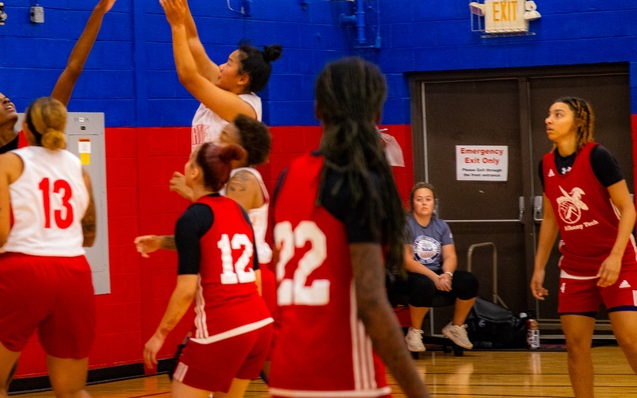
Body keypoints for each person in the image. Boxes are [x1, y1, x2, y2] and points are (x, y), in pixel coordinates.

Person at [268, 57, 429, 398]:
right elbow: (370, 301)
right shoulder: (358, 181)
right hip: (345, 376)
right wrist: (418, 391)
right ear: (377, 116)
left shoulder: (288, 175)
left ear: (317, 110)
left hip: (286, 374)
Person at [0, 0, 121, 274]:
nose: (5, 100)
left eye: (4, 96)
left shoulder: (35, 137)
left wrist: (98, 13)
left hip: (55, 259)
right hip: (15, 266)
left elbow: (72, 69)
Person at [0, 97, 97, 398]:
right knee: (73, 390)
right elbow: (90, 234)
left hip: (21, 269)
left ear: (26, 130)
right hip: (74, 272)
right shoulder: (78, 168)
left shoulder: (6, 163)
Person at [143, 141, 273, 398]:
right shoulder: (239, 211)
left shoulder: (191, 218)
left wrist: (159, 335)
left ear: (194, 172)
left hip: (222, 327)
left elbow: (186, 291)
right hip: (259, 325)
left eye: (190, 159)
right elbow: (256, 280)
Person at [530, 97, 637, 398]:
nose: (549, 119)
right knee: (576, 348)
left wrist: (616, 256)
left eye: (558, 114)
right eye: (549, 113)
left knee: (629, 340)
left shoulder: (598, 156)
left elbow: (628, 209)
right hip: (576, 266)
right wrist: (539, 266)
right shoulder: (546, 164)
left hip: (617, 259)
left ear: (578, 121)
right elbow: (551, 219)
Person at [135, 114, 277, 313]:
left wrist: (193, 192)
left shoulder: (245, 178)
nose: (216, 142)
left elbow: (223, 226)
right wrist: (160, 242)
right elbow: (207, 239)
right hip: (234, 275)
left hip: (251, 278)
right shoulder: (230, 179)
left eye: (223, 137)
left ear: (240, 153)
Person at [162, 0, 281, 148]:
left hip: (231, 180)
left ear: (242, 79)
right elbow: (192, 40)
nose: (221, 66)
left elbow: (188, 77)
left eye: (229, 63)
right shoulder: (220, 87)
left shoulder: (243, 109)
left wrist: (176, 27)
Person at [391, 181, 478, 352]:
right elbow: (407, 261)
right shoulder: (405, 225)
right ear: (412, 203)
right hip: (408, 274)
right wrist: (434, 277)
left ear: (434, 202)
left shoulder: (441, 225)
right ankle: (415, 332)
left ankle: (456, 327)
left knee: (469, 281)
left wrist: (447, 274)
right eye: (419, 199)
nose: (424, 203)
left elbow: (450, 255)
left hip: (436, 274)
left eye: (428, 199)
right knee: (424, 284)